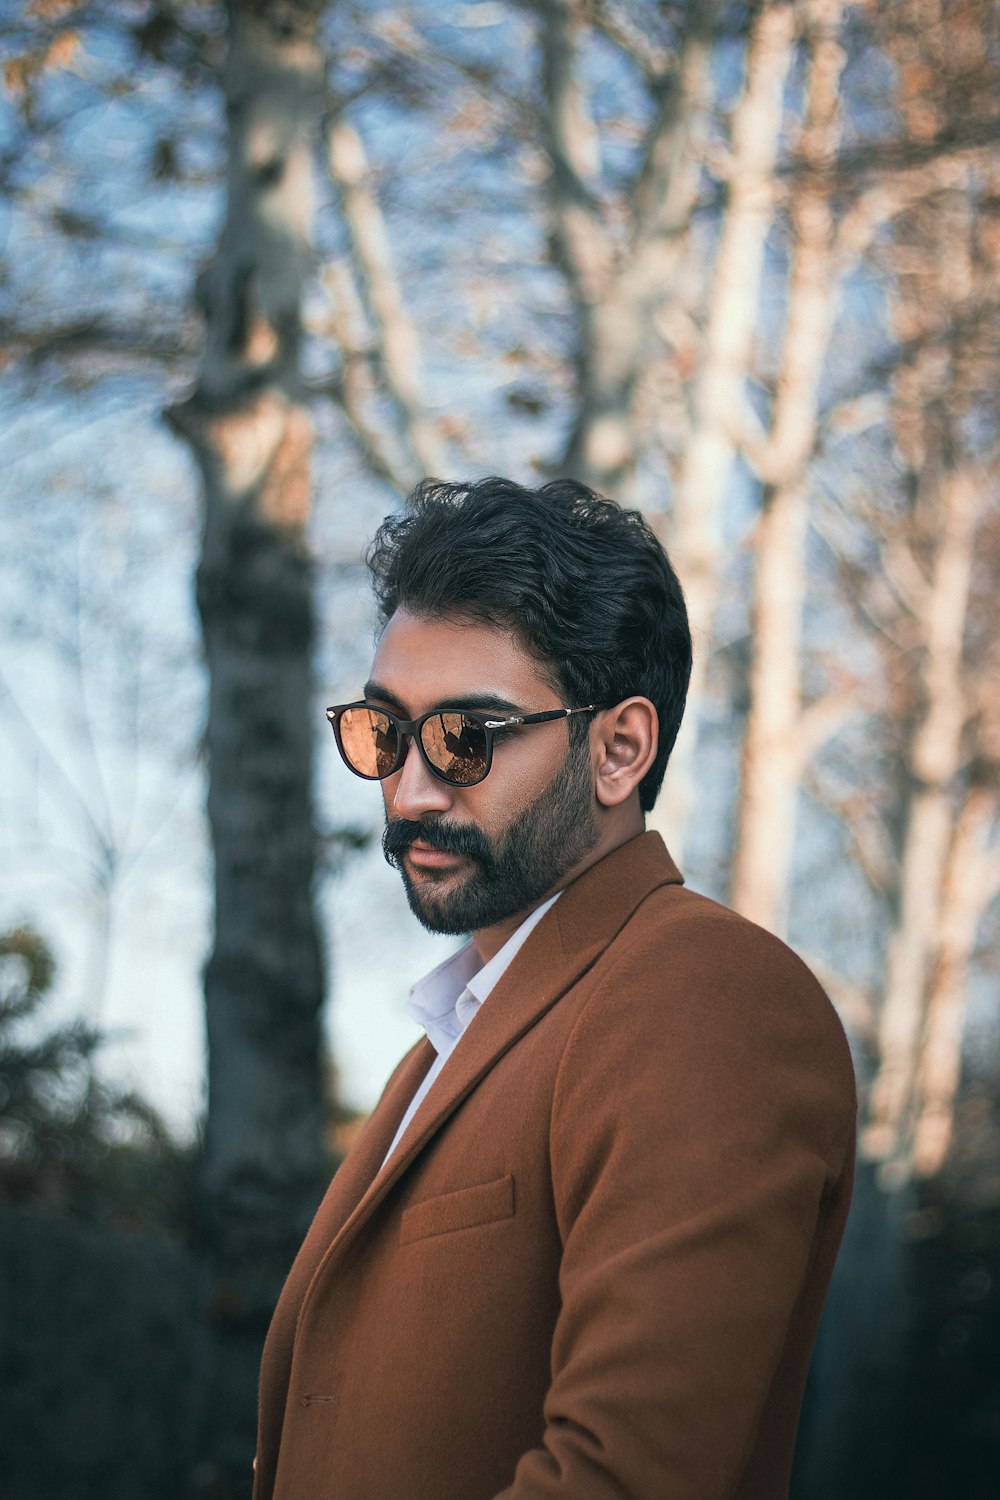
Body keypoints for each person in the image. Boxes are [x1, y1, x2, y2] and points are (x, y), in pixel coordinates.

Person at [254, 476, 856, 1500]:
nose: (409, 790)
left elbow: (627, 1479)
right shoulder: (452, 1040)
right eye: (385, 734)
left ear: (618, 749)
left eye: (466, 739)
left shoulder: (705, 997)